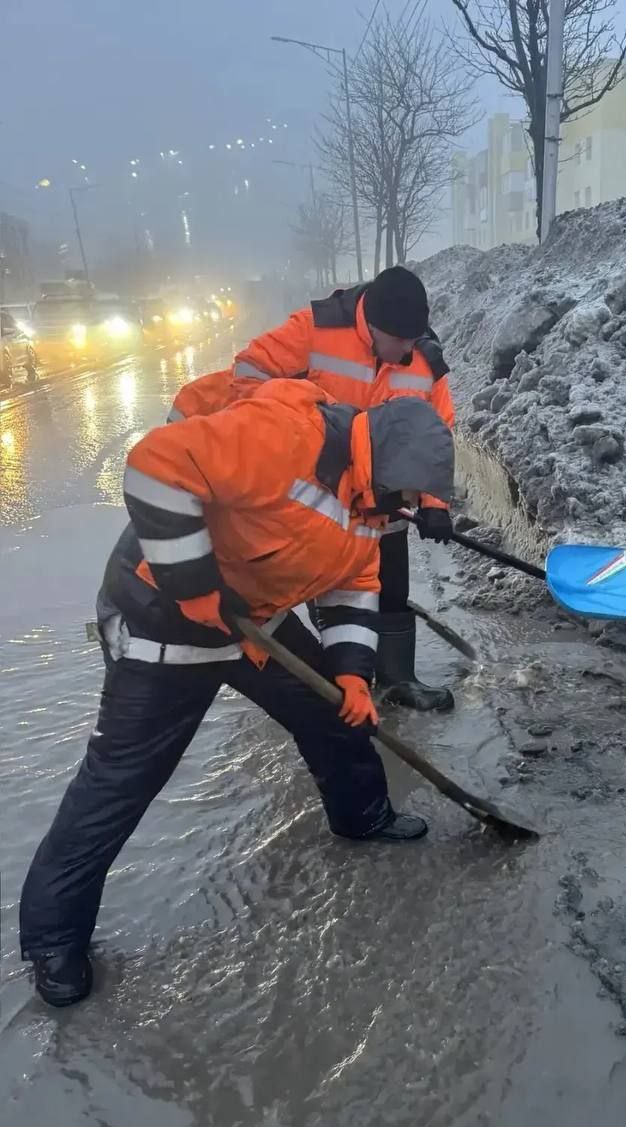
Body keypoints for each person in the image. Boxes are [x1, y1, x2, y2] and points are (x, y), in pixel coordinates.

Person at [19, 379, 454, 1008]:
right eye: (408, 491)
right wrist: (193, 585)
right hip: (163, 622)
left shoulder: (371, 504)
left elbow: (353, 583)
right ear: (382, 462)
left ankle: (364, 816)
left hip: (256, 622)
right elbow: (153, 469)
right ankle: (53, 936)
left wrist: (354, 672)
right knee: (120, 781)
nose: (409, 506)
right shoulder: (284, 434)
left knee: (335, 713)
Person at [231, 265, 456, 712]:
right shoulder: (316, 329)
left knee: (391, 587)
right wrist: (294, 435)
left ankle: (397, 680)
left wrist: (434, 503)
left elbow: (437, 434)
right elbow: (247, 373)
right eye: (401, 342)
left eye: (416, 339)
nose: (410, 351)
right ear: (372, 327)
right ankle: (340, 676)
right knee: (329, 585)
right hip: (320, 495)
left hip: (385, 500)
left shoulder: (425, 359)